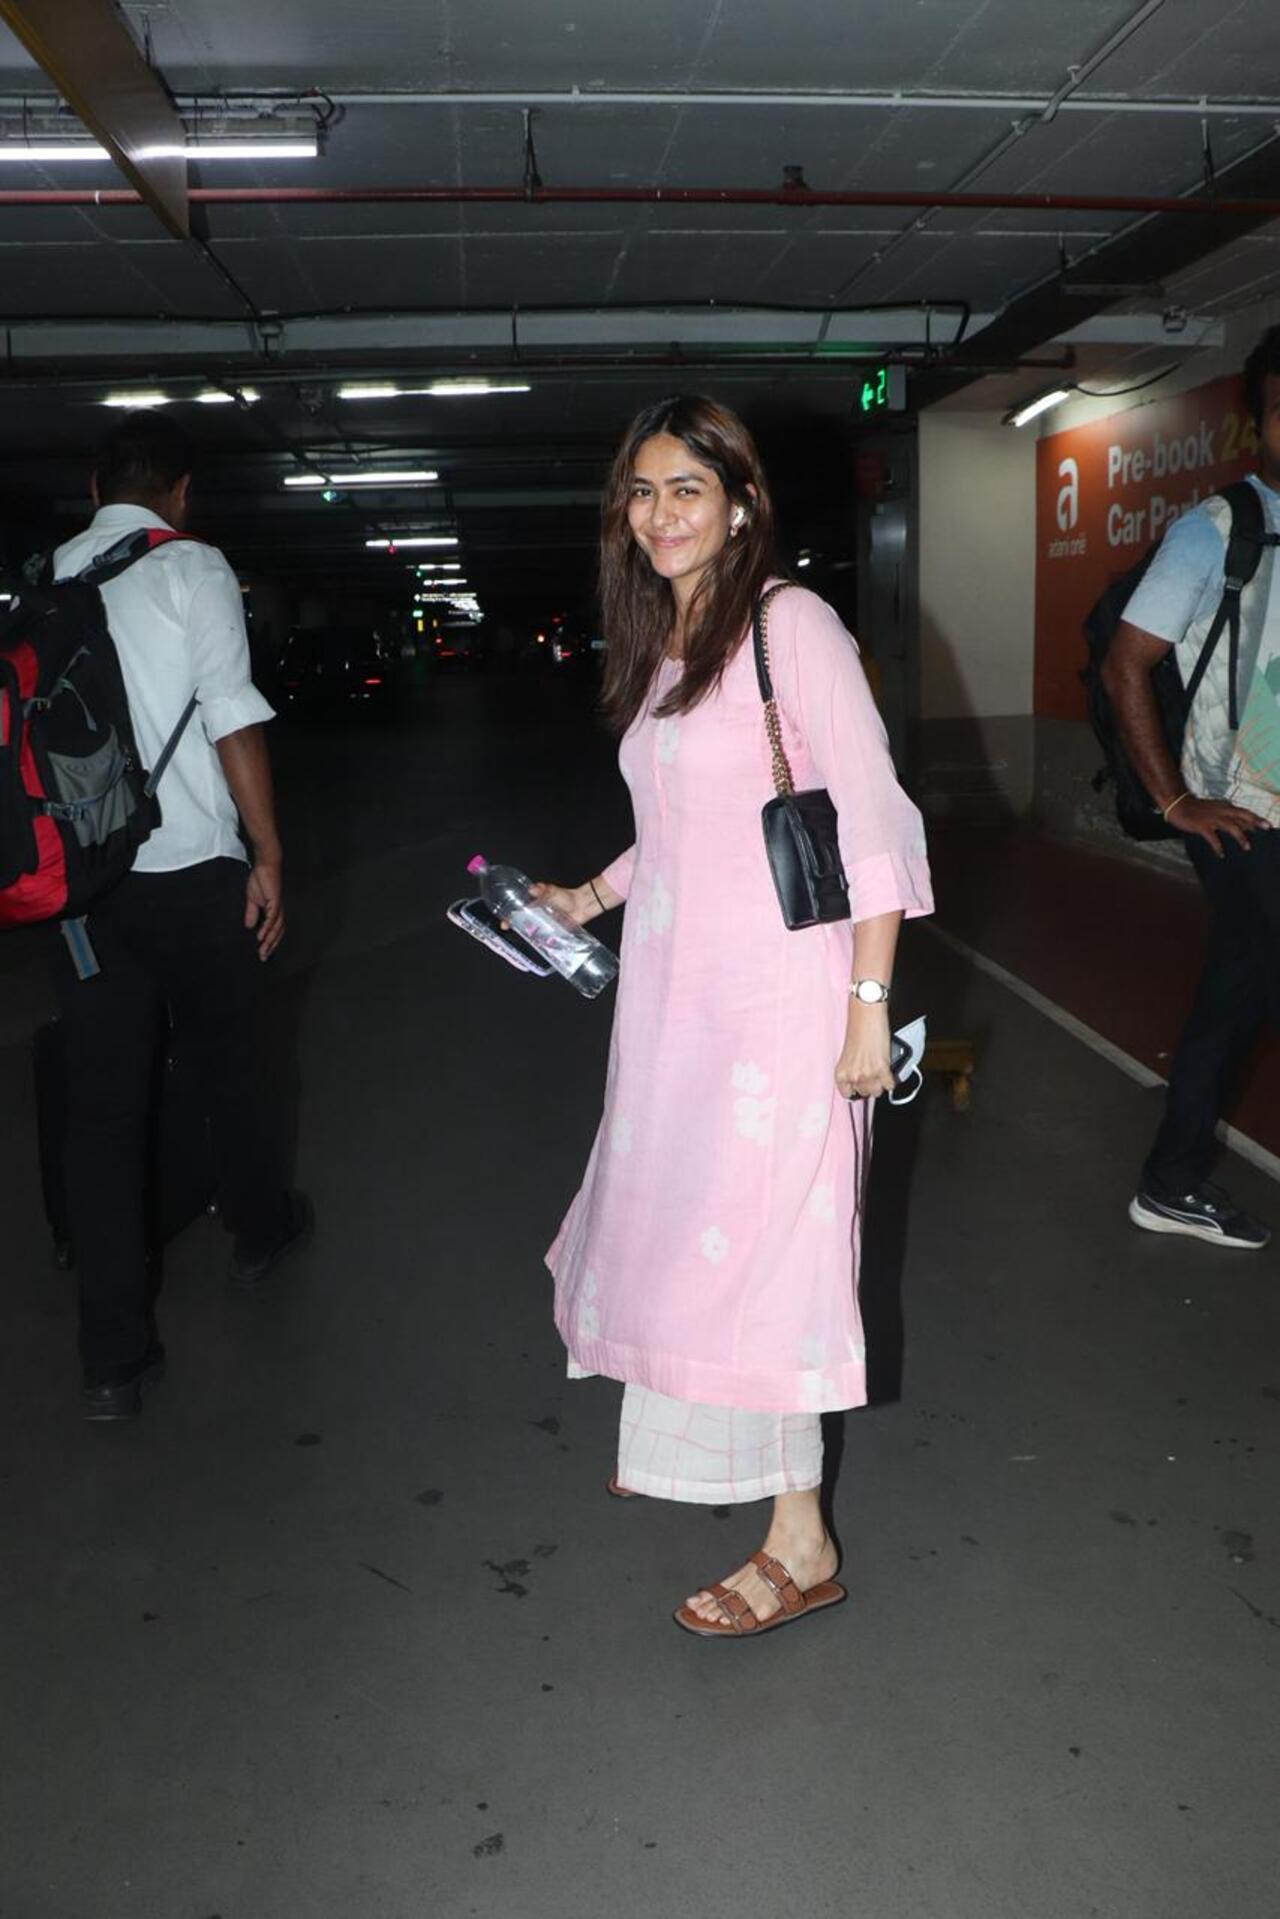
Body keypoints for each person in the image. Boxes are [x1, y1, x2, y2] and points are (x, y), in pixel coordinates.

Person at [539, 395, 933, 1636]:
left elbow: (872, 822)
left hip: (779, 1003)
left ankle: (799, 1538)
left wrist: (867, 1008)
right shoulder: (674, 639)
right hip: (676, 1002)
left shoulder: (791, 623)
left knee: (771, 1262)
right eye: (641, 493)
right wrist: (586, 896)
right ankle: (718, 1448)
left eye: (685, 491)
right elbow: (680, 825)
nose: (658, 516)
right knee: (682, 1232)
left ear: (740, 503)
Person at [52, 411, 310, 1421]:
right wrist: (270, 851)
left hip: (84, 892)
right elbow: (231, 712)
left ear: (91, 485)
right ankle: (257, 1226)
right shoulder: (190, 566)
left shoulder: (49, 580)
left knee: (103, 1117)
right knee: (233, 1064)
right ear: (182, 492)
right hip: (192, 874)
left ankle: (112, 1357)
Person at [1103, 325, 1280, 1251]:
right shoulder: (1214, 530)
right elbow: (1127, 664)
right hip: (1241, 817)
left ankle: (1171, 1182)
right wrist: (1176, 800)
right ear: (1257, 429)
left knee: (1235, 993)